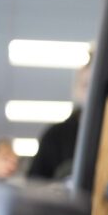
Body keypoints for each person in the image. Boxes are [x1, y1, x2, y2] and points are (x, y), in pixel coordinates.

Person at [27, 53, 92, 181]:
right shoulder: (55, 136)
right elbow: (35, 185)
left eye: (98, 86)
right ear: (76, 90)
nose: (92, 92)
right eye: (86, 85)